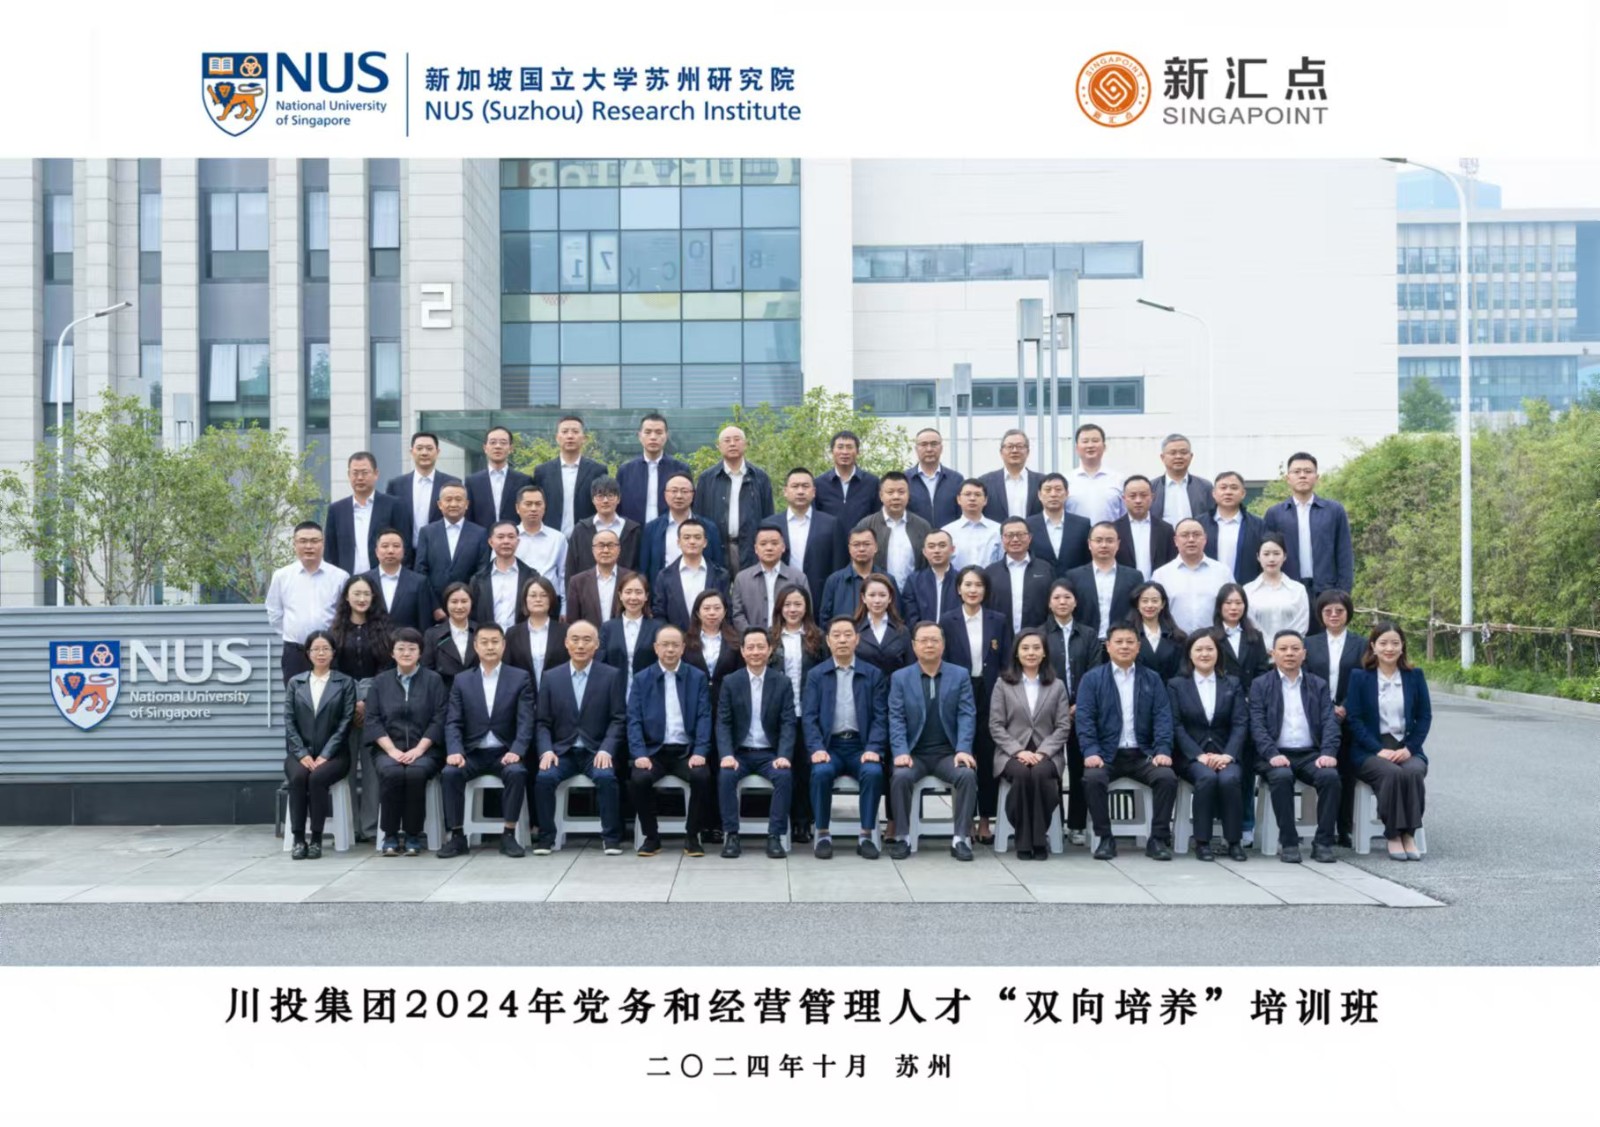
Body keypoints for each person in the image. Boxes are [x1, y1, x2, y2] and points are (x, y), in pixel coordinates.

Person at [1074, 623, 1178, 860]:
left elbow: (1163, 718)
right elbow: (1085, 720)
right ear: (1108, 646)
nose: (1124, 647)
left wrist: (1162, 750)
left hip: (1143, 754)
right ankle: (1105, 838)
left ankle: (1158, 839)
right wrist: (1091, 751)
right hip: (1107, 755)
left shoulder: (1151, 679)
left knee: (1167, 777)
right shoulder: (1092, 679)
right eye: (1118, 642)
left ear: (1138, 647)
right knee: (1092, 779)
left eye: (1130, 642)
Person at [437, 623, 536, 858]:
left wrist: (517, 750)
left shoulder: (519, 677)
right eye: (484, 642)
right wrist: (455, 750)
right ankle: (457, 836)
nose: (490, 647)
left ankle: (508, 835)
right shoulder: (462, 680)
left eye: (495, 642)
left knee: (517, 772)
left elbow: (526, 721)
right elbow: (453, 722)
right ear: (475, 646)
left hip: (505, 751)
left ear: (504, 645)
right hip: (472, 752)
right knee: (450, 773)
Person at [531, 620, 628, 854]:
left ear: (597, 645)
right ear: (566, 643)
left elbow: (618, 719)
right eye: (575, 640)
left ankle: (611, 838)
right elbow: (542, 722)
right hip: (562, 752)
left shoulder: (611, 675)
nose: (581, 645)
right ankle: (546, 837)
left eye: (587, 640)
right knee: (544, 778)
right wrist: (546, 750)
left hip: (595, 751)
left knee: (606, 777)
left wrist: (606, 749)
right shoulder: (551, 677)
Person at [886, 622, 979, 861]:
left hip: (948, 753)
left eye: (934, 640)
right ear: (914, 646)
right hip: (914, 754)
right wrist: (901, 751)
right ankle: (902, 837)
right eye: (923, 640)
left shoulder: (959, 675)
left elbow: (966, 715)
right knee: (900, 776)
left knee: (967, 775)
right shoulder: (900, 678)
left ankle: (961, 838)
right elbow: (896, 718)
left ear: (943, 645)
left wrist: (963, 749)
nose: (929, 645)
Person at [1249, 629, 1341, 864]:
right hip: (1273, 755)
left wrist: (1328, 753)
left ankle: (1323, 843)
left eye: (1295, 649)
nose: (1289, 653)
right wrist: (1271, 753)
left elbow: (1330, 722)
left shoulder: (1318, 684)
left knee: (1330, 777)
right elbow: (1257, 725)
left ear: (1304, 654)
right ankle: (1289, 842)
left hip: (1310, 754)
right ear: (1273, 654)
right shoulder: (1260, 684)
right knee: (1281, 777)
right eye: (1283, 649)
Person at [802, 616, 890, 860]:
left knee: (873, 772)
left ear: (857, 639)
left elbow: (880, 717)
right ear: (828, 641)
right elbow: (809, 717)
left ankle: (866, 835)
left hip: (860, 746)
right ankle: (822, 833)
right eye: (836, 635)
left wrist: (873, 748)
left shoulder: (873, 674)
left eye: (847, 635)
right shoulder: (816, 675)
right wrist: (816, 748)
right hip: (829, 746)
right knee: (821, 772)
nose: (842, 640)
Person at [1345, 622, 1431, 861]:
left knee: (1413, 772)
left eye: (1395, 643)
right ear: (1373, 646)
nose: (1389, 648)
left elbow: (1424, 716)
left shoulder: (1415, 676)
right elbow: (1354, 719)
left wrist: (1410, 749)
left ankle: (1409, 835)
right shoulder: (1360, 677)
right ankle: (1393, 835)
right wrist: (1378, 750)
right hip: (1369, 750)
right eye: (1383, 643)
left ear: (1403, 646)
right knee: (1391, 773)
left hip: (1406, 747)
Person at [626, 624, 715, 857]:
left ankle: (692, 836)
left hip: (686, 752)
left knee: (702, 776)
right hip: (653, 752)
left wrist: (700, 751)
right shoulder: (642, 679)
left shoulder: (697, 677)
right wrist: (639, 754)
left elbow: (704, 717)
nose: (670, 650)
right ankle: (652, 837)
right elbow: (633, 720)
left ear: (683, 648)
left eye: (675, 645)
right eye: (665, 645)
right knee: (638, 779)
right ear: (656, 648)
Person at [939, 565, 1012, 844]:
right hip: (959, 690)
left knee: (987, 753)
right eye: (967, 585)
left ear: (985, 590)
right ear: (959, 589)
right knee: (963, 754)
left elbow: (1006, 659)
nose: (973, 590)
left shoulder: (998, 620)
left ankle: (985, 820)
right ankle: (965, 819)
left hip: (991, 691)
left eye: (978, 585)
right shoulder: (948, 620)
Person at [365, 628, 449, 857]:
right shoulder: (380, 682)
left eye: (412, 648)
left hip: (427, 750)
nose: (406, 653)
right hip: (387, 749)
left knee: (415, 773)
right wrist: (392, 750)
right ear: (392, 653)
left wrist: (419, 749)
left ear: (420, 652)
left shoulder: (434, 680)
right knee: (391, 772)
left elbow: (439, 718)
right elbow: (372, 720)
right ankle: (390, 835)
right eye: (400, 648)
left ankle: (413, 835)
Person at [715, 628, 797, 859]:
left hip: (769, 754)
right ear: (742, 651)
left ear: (770, 650)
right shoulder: (731, 682)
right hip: (740, 754)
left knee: (784, 776)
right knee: (726, 775)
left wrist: (783, 755)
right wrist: (727, 754)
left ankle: (774, 836)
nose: (755, 652)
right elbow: (723, 722)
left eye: (761, 647)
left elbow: (788, 723)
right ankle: (731, 835)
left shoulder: (782, 682)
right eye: (750, 647)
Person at [990, 629, 1072, 860]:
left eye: (1036, 648)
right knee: (1022, 775)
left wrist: (1043, 752)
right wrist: (1018, 751)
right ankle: (1025, 841)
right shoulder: (1003, 684)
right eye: (1025, 648)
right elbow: (996, 725)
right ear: (1016, 653)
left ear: (1044, 653)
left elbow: (1063, 726)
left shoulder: (1056, 686)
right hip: (1011, 752)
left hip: (1047, 752)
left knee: (1040, 774)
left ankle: (1037, 839)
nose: (1031, 652)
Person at [1167, 630, 1248, 862]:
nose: (1205, 654)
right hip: (1191, 755)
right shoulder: (1176, 685)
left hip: (1225, 753)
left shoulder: (1232, 683)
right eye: (1199, 649)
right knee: (1207, 777)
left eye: (1210, 649)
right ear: (1189, 654)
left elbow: (1240, 723)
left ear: (1218, 653)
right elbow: (1175, 725)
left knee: (1230, 779)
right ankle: (1202, 842)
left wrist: (1228, 755)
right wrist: (1198, 755)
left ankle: (1234, 842)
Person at [1303, 589, 1370, 846]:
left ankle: (1345, 827)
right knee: (1323, 771)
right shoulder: (1309, 643)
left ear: (1348, 614)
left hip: (1349, 716)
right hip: (1316, 717)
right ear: (1320, 614)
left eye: (1339, 611)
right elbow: (1305, 679)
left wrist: (1345, 706)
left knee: (1346, 772)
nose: (1333, 615)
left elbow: (1365, 679)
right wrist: (1325, 708)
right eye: (1328, 611)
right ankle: (1322, 826)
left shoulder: (1361, 644)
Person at [282, 629, 356, 859]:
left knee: (317, 778)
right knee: (297, 778)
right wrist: (302, 753)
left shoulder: (345, 683)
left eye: (325, 649)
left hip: (335, 755)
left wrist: (326, 754)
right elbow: (289, 721)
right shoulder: (296, 683)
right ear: (308, 653)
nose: (321, 653)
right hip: (300, 754)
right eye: (316, 649)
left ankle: (316, 839)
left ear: (333, 653)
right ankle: (298, 839)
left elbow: (346, 722)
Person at [331, 573, 395, 841]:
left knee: (372, 771)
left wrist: (366, 703)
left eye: (366, 594)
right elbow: (332, 670)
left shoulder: (384, 630)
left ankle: (369, 828)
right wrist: (353, 703)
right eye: (356, 593)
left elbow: (386, 669)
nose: (361, 598)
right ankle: (348, 826)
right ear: (347, 597)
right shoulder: (335, 631)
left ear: (373, 597)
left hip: (375, 704)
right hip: (343, 704)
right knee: (345, 767)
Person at [683, 589, 744, 845]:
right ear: (697, 612)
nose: (711, 613)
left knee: (722, 764)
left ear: (725, 611)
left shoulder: (735, 641)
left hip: (726, 708)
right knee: (701, 766)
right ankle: (702, 823)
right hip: (694, 709)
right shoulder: (686, 640)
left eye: (717, 608)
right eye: (706, 608)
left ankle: (719, 823)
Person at [1043, 580, 1101, 845]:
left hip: (1081, 710)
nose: (1062, 602)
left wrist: (1080, 705)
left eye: (1067, 597)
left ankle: (1077, 824)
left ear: (1075, 602)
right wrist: (1058, 706)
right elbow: (1037, 672)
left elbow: (1094, 671)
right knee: (1051, 767)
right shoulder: (1040, 634)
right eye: (1057, 597)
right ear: (1049, 603)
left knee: (1079, 767)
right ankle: (1053, 823)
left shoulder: (1088, 634)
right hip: (1049, 712)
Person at [769, 583, 826, 844]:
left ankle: (804, 822)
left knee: (805, 769)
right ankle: (783, 821)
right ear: (780, 607)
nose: (792, 609)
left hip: (808, 712)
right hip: (778, 714)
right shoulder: (770, 637)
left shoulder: (818, 637)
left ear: (806, 608)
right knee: (784, 768)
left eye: (798, 604)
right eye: (788, 604)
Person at [1214, 582, 1269, 847]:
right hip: (1217, 711)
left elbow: (1262, 671)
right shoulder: (1210, 637)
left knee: (1244, 771)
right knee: (1219, 770)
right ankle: (1215, 823)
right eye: (1228, 603)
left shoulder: (1254, 637)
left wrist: (1250, 698)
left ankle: (1245, 824)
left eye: (1238, 603)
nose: (1234, 608)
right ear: (1220, 606)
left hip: (1246, 711)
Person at [1262, 451, 1355, 602]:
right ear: (1288, 478)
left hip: (1326, 590)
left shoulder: (1334, 511)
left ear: (1317, 477)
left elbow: (1344, 553)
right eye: (1297, 471)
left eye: (1308, 471)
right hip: (1287, 590)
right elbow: (1266, 555)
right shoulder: (1275, 513)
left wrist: (1343, 592)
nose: (1302, 475)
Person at [266, 521, 349, 683]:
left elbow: (345, 615)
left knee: (332, 697)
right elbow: (274, 612)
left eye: (314, 541)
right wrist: (292, 634)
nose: (309, 546)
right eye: (303, 541)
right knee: (296, 696)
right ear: (294, 544)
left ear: (323, 543)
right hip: (295, 652)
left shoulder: (340, 577)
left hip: (331, 652)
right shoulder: (282, 576)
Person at [759, 467, 845, 612]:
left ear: (814, 492)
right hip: (779, 596)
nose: (800, 491)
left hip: (820, 597)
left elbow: (838, 566)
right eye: (795, 486)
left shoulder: (831, 524)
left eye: (805, 486)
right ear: (785, 491)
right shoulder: (770, 524)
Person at [694, 424, 774, 575]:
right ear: (719, 446)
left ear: (745, 444)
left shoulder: (760, 477)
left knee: (749, 588)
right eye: (727, 440)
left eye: (737, 439)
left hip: (751, 550)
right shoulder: (707, 478)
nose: (732, 444)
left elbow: (768, 516)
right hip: (716, 548)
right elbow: (699, 516)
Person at [324, 451, 411, 575]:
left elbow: (405, 546)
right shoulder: (336, 510)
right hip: (347, 579)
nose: (360, 478)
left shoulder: (394, 505)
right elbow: (330, 551)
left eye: (365, 473)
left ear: (376, 474)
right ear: (348, 475)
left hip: (384, 578)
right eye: (355, 473)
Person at [414, 483, 489, 622]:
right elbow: (420, 571)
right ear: (440, 504)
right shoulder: (427, 532)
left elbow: (482, 571)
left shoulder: (480, 533)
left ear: (466, 504)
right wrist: (435, 607)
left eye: (458, 499)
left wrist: (467, 603)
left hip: (468, 609)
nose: (453, 504)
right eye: (448, 500)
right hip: (434, 611)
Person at [639, 472, 724, 590]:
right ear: (665, 494)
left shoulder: (709, 528)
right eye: (674, 491)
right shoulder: (652, 529)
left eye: (684, 491)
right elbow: (644, 568)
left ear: (693, 495)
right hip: (663, 593)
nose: (679, 496)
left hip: (702, 592)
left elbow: (718, 566)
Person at [1152, 518, 1233, 635]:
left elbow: (1234, 606)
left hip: (1214, 641)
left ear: (1205, 539)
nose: (1191, 539)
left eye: (1196, 535)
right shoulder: (1161, 575)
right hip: (1174, 640)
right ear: (1175, 541)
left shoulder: (1223, 572)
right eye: (1185, 535)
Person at [1064, 522, 1142, 643]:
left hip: (1122, 644)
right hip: (1085, 643)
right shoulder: (1073, 576)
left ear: (1118, 544)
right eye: (1098, 540)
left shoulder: (1134, 577)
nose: (1104, 545)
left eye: (1109, 541)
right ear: (1089, 544)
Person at [854, 472, 929, 592]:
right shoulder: (867, 525)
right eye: (890, 492)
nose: (896, 497)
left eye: (901, 492)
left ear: (908, 495)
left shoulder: (922, 526)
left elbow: (927, 565)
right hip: (877, 595)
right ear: (881, 495)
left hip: (914, 594)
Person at [529, 416, 604, 535]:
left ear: (584, 438)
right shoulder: (542, 472)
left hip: (587, 536)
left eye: (575, 432)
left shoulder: (597, 470)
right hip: (551, 536)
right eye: (564, 432)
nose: (570, 436)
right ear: (557, 438)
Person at [651, 518, 730, 632]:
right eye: (687, 537)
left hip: (711, 638)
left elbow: (727, 611)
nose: (692, 541)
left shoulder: (721, 575)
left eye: (697, 537)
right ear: (678, 542)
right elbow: (659, 613)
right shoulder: (664, 576)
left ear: (705, 542)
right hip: (677, 639)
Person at [386, 431, 460, 549]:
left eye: (429, 448)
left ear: (437, 452)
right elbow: (389, 523)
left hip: (440, 552)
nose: (424, 453)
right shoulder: (396, 485)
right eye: (419, 448)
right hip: (404, 553)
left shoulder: (452, 484)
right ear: (412, 451)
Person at [616, 412, 692, 526]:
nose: (653, 437)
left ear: (666, 436)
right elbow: (617, 507)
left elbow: (689, 504)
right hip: (634, 532)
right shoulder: (625, 471)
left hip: (669, 531)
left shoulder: (680, 469)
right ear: (639, 436)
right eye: (647, 432)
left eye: (658, 432)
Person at [730, 526, 808, 633]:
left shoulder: (798, 578)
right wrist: (752, 635)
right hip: (752, 640)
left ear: (783, 547)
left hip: (789, 637)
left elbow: (807, 611)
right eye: (763, 544)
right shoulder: (742, 579)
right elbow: (737, 614)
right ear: (756, 549)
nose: (769, 548)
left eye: (774, 543)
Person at [820, 526, 899, 625]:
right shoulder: (834, 581)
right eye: (856, 545)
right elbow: (825, 619)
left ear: (876, 547)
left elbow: (897, 617)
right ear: (849, 548)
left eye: (867, 544)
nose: (861, 549)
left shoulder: (887, 580)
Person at [985, 518, 1053, 633]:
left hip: (1037, 637)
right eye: (1009, 535)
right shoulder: (991, 572)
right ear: (1002, 539)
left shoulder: (1045, 569)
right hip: (1000, 636)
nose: (1015, 539)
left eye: (1021, 535)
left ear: (1030, 538)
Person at [814, 430, 881, 547]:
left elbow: (878, 517)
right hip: (829, 546)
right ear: (832, 451)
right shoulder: (819, 484)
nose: (845, 452)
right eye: (840, 447)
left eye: (849, 447)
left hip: (862, 547)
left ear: (858, 452)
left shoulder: (872, 482)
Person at [600, 573, 663, 696]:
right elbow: (601, 664)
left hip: (650, 692)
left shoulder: (657, 628)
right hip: (614, 692)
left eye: (638, 592)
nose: (633, 597)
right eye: (628, 592)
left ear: (646, 596)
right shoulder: (607, 628)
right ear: (620, 595)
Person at [468, 521, 538, 631]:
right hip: (488, 638)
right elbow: (472, 615)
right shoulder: (478, 580)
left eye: (511, 537)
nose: (506, 541)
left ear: (518, 541)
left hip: (521, 637)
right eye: (500, 537)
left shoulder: (531, 576)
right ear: (491, 542)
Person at [504, 575, 567, 697]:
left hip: (558, 697)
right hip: (523, 698)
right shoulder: (512, 634)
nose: (538, 599)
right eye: (533, 595)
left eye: (544, 595)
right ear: (525, 599)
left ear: (551, 599)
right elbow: (508, 670)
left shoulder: (565, 631)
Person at [567, 476, 642, 576]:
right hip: (588, 585)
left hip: (624, 585)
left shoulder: (633, 530)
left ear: (618, 499)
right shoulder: (581, 530)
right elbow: (571, 567)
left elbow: (639, 568)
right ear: (593, 500)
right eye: (600, 496)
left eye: (610, 495)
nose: (605, 500)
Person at [1243, 532, 1311, 640]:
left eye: (1276, 553)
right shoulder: (1248, 591)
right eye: (1266, 554)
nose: (1271, 559)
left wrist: (1282, 646)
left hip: (1290, 648)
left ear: (1284, 556)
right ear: (1258, 557)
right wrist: (1267, 645)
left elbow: (1302, 624)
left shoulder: (1298, 590)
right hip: (1257, 648)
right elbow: (1249, 623)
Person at [565, 528, 636, 630]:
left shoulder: (631, 579)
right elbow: (572, 621)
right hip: (589, 638)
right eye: (601, 545)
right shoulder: (577, 582)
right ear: (593, 550)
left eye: (611, 545)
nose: (605, 550)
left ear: (619, 549)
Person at [465, 425, 535, 530]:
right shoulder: (472, 482)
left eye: (503, 443)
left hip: (515, 537)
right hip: (482, 537)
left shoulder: (524, 481)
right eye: (493, 442)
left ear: (511, 448)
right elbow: (468, 516)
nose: (498, 446)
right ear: (485, 448)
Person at [1201, 470, 1265, 583]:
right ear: (1214, 493)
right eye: (1223, 488)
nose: (1228, 492)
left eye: (1234, 488)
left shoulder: (1258, 525)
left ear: (1243, 493)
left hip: (1246, 588)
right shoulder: (1200, 524)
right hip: (1208, 586)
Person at [512, 484, 567, 614]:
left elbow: (563, 574)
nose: (533, 509)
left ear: (544, 507)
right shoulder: (508, 537)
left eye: (538, 504)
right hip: (516, 601)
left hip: (550, 602)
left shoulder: (557, 538)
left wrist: (565, 607)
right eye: (528, 504)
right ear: (517, 508)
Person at [366, 527, 431, 635]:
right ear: (376, 552)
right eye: (385, 546)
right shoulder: (365, 580)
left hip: (406, 643)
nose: (390, 551)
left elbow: (424, 622)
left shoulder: (419, 582)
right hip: (372, 642)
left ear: (403, 551)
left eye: (396, 546)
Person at [1028, 472, 1092, 578]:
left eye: (1058, 489)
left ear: (1066, 494)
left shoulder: (1083, 525)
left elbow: (1088, 560)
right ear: (1039, 495)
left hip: (1074, 583)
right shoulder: (1028, 525)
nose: (1053, 494)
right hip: (1040, 584)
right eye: (1048, 490)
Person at [1113, 474, 1175, 580]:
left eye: (1143, 495)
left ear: (1152, 497)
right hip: (1126, 587)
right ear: (1124, 499)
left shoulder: (1166, 530)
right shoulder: (1114, 530)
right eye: (1132, 496)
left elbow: (1171, 563)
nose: (1138, 500)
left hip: (1158, 586)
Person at [1064, 423, 1126, 524]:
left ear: (1104, 447)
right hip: (1076, 534)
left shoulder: (1119, 480)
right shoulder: (1066, 480)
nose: (1090, 445)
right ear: (1077, 448)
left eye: (1095, 441)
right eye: (1085, 441)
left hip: (1110, 534)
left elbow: (1125, 516)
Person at [853, 574, 912, 675]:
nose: (877, 601)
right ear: (863, 598)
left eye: (882, 595)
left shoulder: (902, 631)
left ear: (890, 598)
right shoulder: (854, 629)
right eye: (872, 595)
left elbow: (909, 667)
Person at [422, 583, 478, 690]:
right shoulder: (432, 635)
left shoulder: (480, 631)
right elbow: (427, 671)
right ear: (446, 604)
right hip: (444, 693)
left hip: (476, 692)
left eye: (464, 601)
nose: (459, 606)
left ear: (471, 603)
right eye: (454, 602)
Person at [980, 428, 1044, 522]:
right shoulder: (985, 482)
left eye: (1019, 446)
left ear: (1028, 452)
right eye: (1010, 446)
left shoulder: (1042, 482)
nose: (1014, 450)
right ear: (1001, 452)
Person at [1150, 433, 1215, 526]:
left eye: (1183, 452)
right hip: (1161, 535)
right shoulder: (1151, 487)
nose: (1178, 456)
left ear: (1191, 456)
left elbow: (1212, 518)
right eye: (1173, 453)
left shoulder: (1205, 486)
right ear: (1162, 457)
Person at [1127, 581, 1186, 681]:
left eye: (1154, 601)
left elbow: (1181, 672)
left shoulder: (1178, 637)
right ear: (1137, 604)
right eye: (1145, 601)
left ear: (1162, 604)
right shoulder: (1127, 635)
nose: (1150, 605)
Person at [904, 427, 963, 529]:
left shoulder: (956, 480)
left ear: (941, 448)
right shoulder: (905, 480)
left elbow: (962, 513)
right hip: (916, 537)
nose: (929, 449)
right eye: (924, 444)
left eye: (934, 444)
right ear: (916, 449)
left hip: (948, 537)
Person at [902, 528, 958, 630]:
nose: (937, 551)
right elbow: (910, 617)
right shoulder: (914, 581)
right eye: (931, 547)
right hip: (923, 637)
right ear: (924, 552)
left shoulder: (961, 580)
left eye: (942, 546)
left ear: (952, 549)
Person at [941, 478, 1003, 571]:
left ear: (985, 500)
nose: (972, 498)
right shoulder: (947, 532)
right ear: (959, 499)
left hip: (991, 579)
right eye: (967, 494)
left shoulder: (998, 530)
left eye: (977, 495)